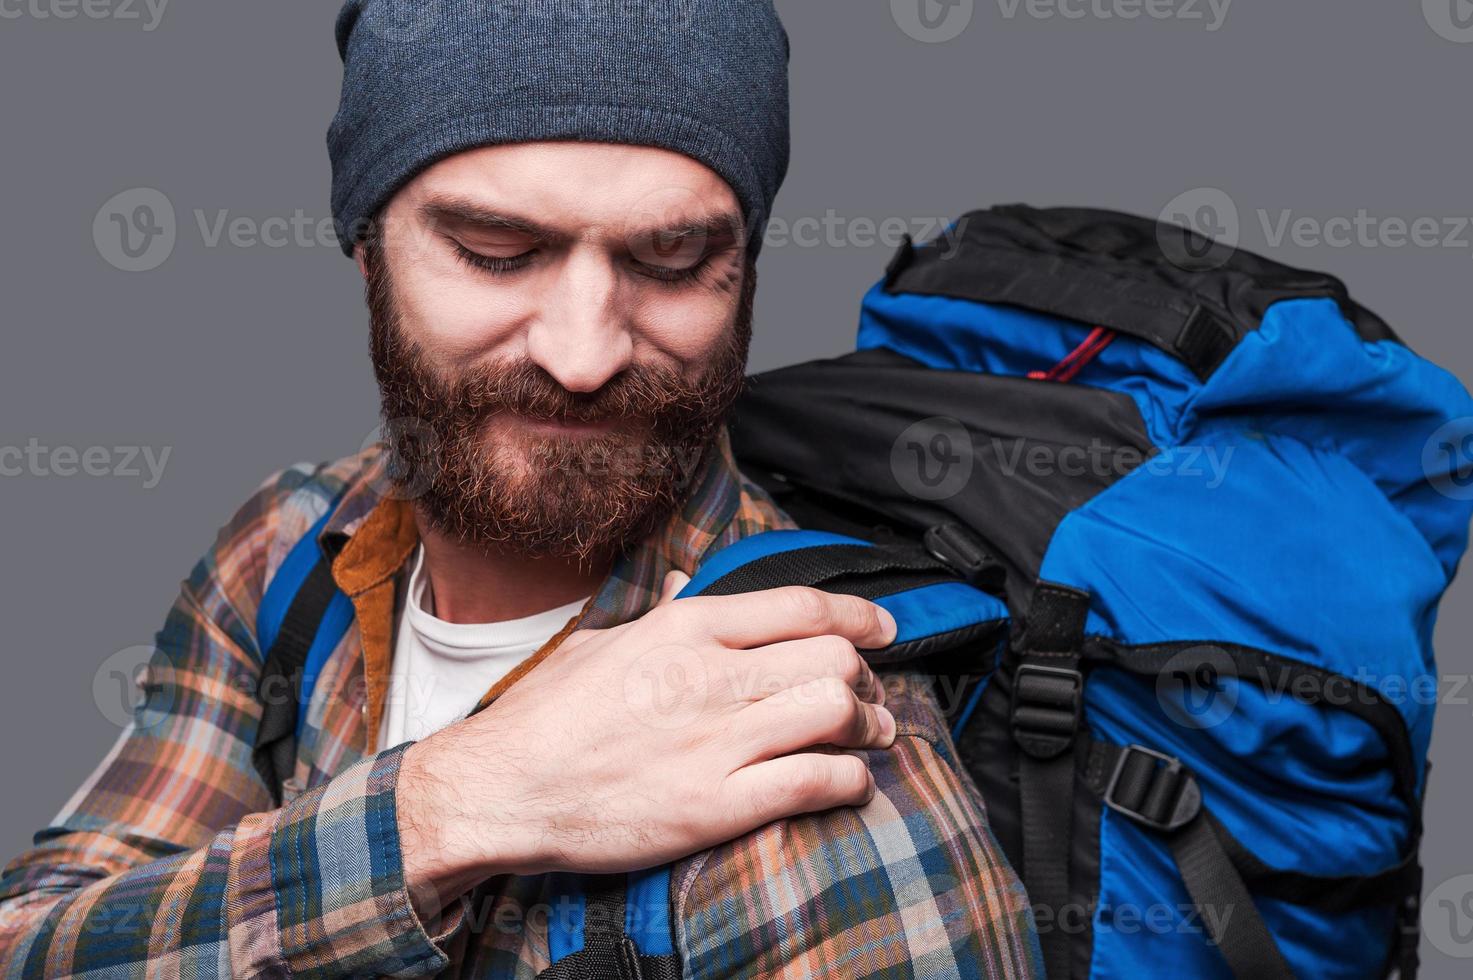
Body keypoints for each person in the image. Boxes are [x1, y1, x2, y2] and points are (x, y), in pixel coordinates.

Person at [0, 2, 1042, 976]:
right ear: (369, 255)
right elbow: (33, 935)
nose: (584, 354)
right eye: (497, 252)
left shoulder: (802, 727)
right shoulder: (284, 549)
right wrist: (450, 806)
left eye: (673, 259)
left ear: (745, 276)